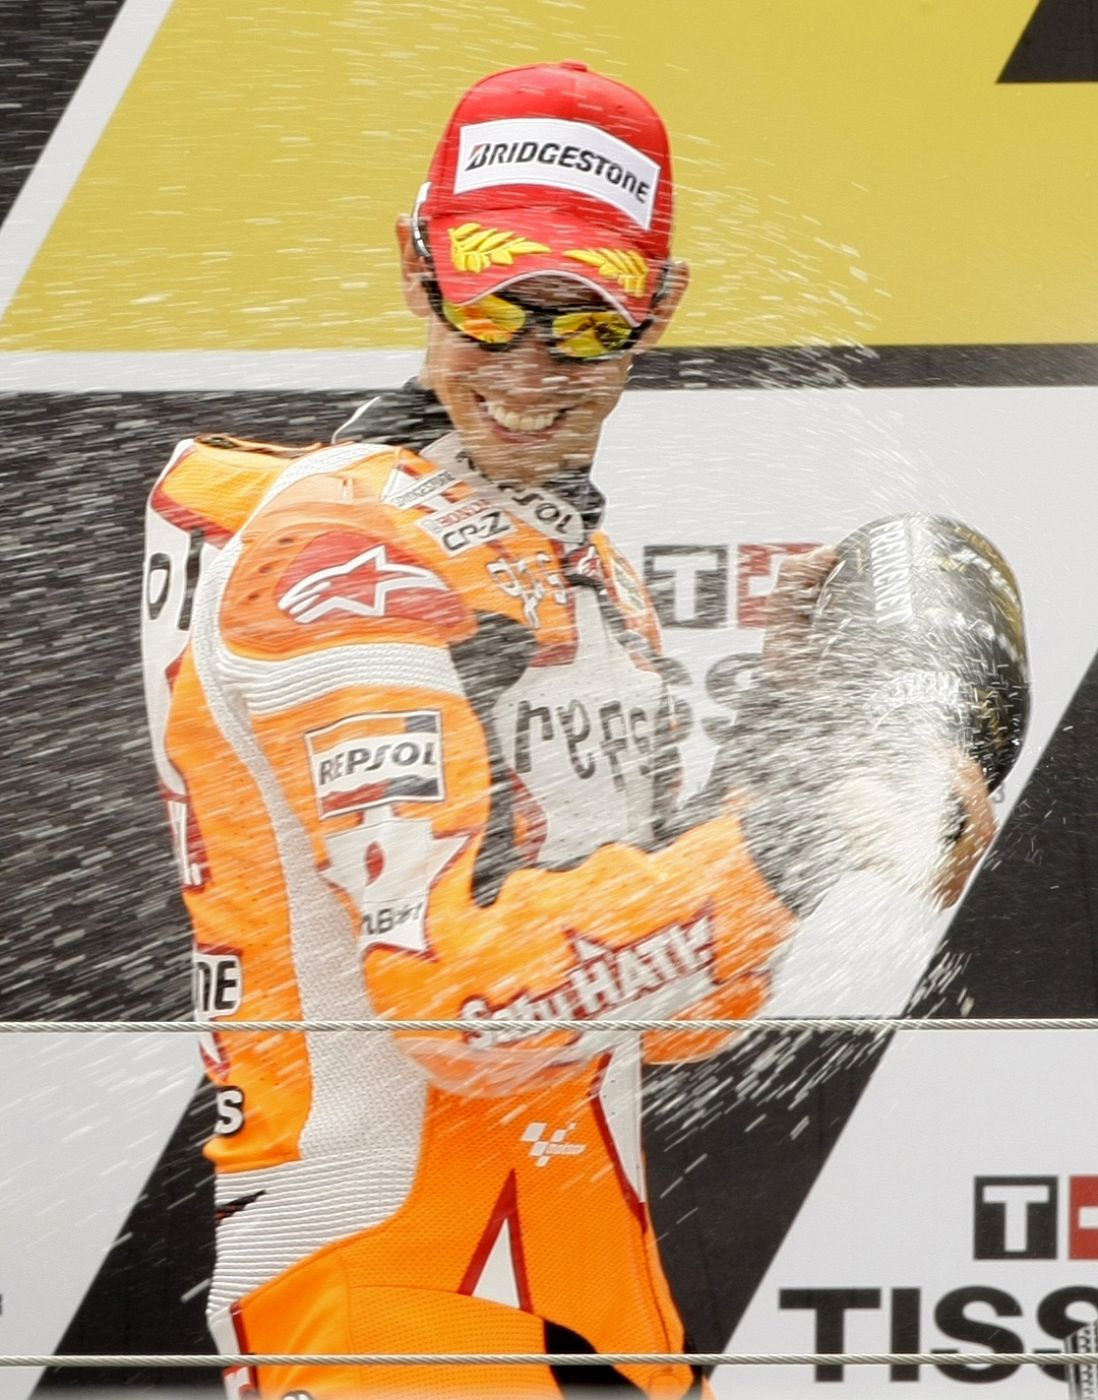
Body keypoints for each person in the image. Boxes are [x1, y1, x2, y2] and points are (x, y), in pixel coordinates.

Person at [141, 61, 994, 1400]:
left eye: (585, 321)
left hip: (585, 1306)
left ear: (657, 311)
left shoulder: (583, 578)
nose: (529, 368)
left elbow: (646, 1020)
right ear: (418, 268)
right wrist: (788, 834)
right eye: (490, 301)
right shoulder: (340, 559)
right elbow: (459, 1007)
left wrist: (784, 788)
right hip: (399, 1316)